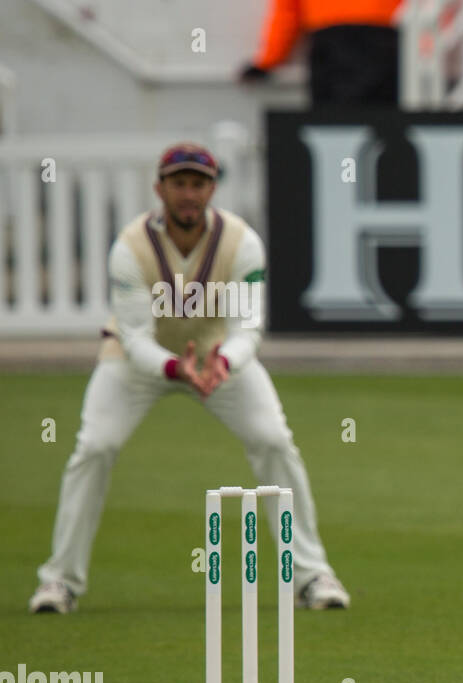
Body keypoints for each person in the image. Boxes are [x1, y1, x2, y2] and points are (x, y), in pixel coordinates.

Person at [29, 143, 350, 614]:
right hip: (137, 363)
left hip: (219, 356)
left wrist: (224, 363)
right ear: (159, 188)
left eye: (198, 184)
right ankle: (59, 581)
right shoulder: (131, 247)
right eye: (178, 183)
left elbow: (249, 327)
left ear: (212, 189)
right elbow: (135, 338)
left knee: (274, 440)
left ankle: (313, 574)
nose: (188, 194)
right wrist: (176, 367)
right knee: (94, 447)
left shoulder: (241, 243)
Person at [240, 0, 403, 106]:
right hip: (382, 41)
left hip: (330, 41)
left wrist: (268, 61)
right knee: (382, 122)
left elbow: (287, 12)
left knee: (330, 122)